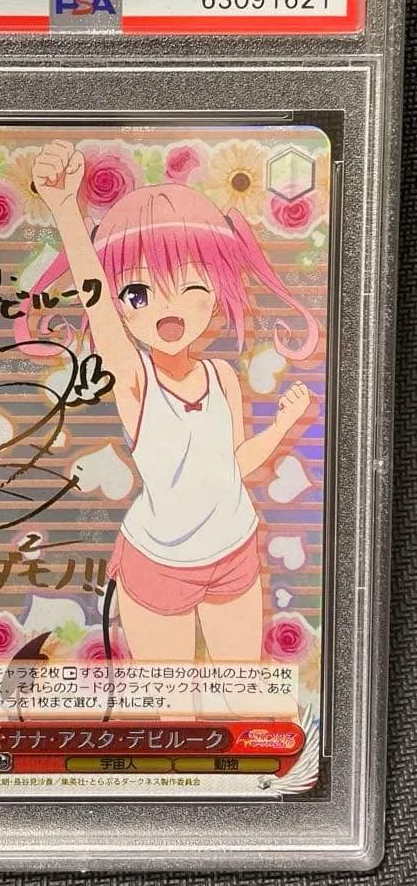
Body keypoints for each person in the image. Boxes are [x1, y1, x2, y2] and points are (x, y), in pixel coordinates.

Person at [19, 139, 317, 673]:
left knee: (241, 694)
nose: (167, 311)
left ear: (218, 289)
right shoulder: (135, 380)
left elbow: (234, 465)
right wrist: (65, 209)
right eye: (138, 294)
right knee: (173, 703)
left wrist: (283, 425)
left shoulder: (221, 376)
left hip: (234, 550)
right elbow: (96, 302)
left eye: (192, 286)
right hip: (159, 564)